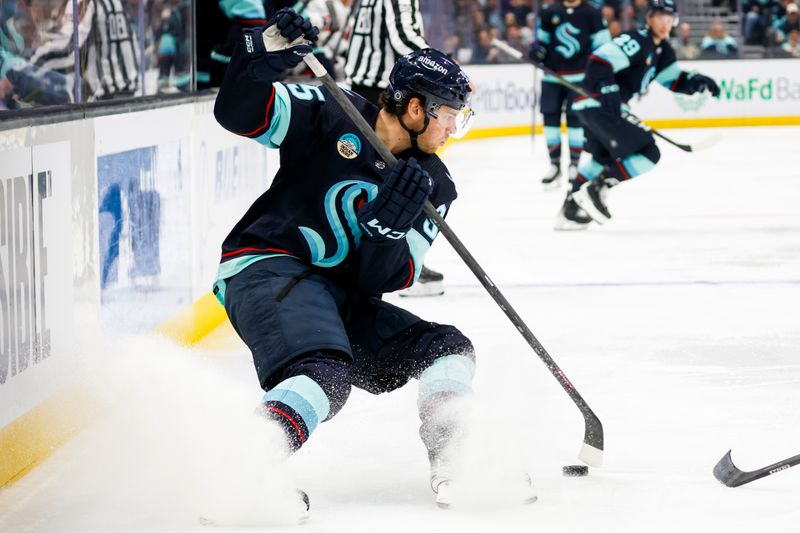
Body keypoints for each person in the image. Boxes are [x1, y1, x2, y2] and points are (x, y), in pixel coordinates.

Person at [212, 8, 502, 512]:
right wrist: (267, 49)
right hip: (268, 267)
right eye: (450, 114)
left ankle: (457, 454)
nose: (455, 128)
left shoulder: (435, 185)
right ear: (415, 108)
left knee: (447, 347)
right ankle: (243, 467)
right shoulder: (332, 112)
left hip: (338, 293)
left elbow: (382, 279)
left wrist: (385, 232)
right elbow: (238, 112)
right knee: (324, 371)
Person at [555, 0, 720, 229]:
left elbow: (672, 80)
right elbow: (599, 61)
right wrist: (607, 87)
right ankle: (598, 187)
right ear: (649, 18)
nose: (665, 24)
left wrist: (694, 82)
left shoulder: (662, 50)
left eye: (669, 19)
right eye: (660, 18)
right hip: (597, 104)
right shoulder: (637, 40)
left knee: (602, 158)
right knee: (649, 152)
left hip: (593, 107)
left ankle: (569, 209)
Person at [344, 0, 446, 297]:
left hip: (362, 88)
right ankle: (395, 257)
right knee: (402, 175)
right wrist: (446, 75)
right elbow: (404, 39)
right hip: (386, 93)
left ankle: (369, 252)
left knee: (365, 174)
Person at [532, 0, 610, 190]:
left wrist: (596, 74)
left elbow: (603, 47)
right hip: (552, 77)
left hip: (580, 79)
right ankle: (555, 165)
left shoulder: (593, 14)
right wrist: (537, 52)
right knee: (550, 120)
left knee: (576, 121)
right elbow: (542, 41)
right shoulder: (549, 12)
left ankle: (574, 164)